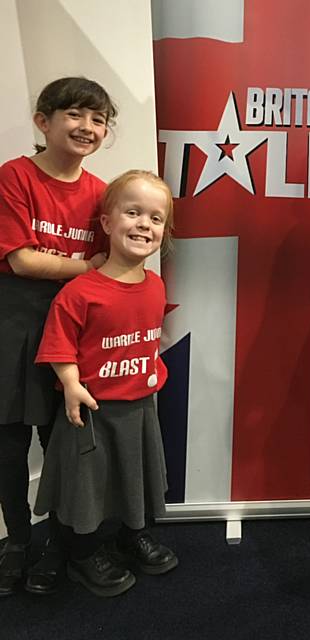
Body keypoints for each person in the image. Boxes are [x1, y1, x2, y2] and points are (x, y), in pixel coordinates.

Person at [32, 170, 178, 597]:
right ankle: (82, 554)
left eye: (155, 218)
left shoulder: (155, 284)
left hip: (139, 406)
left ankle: (130, 535)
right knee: (87, 487)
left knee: (134, 476)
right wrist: (71, 384)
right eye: (132, 213)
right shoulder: (80, 291)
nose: (143, 225)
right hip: (93, 411)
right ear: (108, 223)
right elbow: (60, 345)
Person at [0, 77, 116, 596]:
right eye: (75, 114)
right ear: (43, 122)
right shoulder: (14, 176)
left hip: (69, 336)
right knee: (7, 447)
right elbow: (21, 259)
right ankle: (18, 542)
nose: (87, 127)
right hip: (11, 329)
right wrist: (83, 264)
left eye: (99, 120)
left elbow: (108, 269)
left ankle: (59, 545)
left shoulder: (101, 194)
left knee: (64, 447)